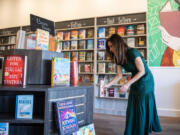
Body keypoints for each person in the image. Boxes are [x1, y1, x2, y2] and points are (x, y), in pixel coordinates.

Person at [103, 34, 162, 135]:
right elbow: (119, 75)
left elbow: (142, 71)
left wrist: (127, 84)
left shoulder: (132, 52)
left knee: (141, 108)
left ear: (118, 45)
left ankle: (141, 132)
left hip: (146, 81)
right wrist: (107, 85)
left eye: (111, 46)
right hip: (135, 81)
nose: (111, 49)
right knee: (132, 108)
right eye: (109, 47)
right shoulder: (118, 57)